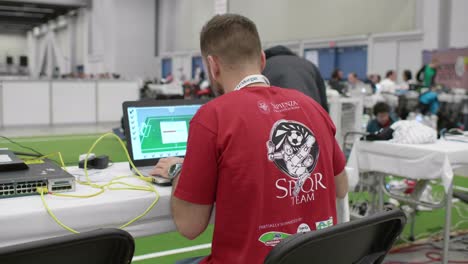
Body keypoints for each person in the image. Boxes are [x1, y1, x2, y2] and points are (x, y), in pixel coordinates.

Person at [149, 14, 348, 264]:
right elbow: (341, 187)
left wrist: (179, 169)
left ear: (213, 66)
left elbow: (189, 226)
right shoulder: (312, 107)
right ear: (262, 59)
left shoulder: (213, 116)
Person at [263, 45, 328, 111]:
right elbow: (323, 100)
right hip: (310, 111)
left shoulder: (264, 66)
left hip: (278, 114)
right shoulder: (309, 64)